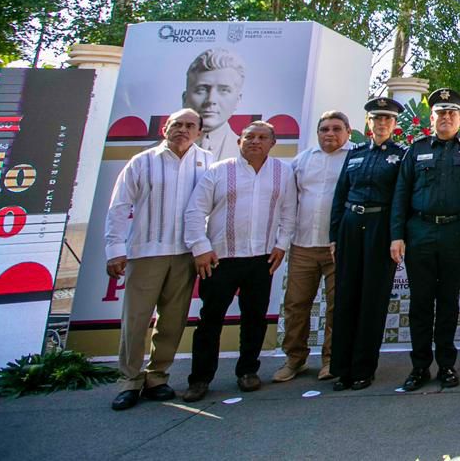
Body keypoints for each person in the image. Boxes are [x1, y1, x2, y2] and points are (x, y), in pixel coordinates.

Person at [104, 108, 212, 411]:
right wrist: (115, 248)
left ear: (199, 132)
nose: (183, 129)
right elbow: (119, 206)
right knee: (136, 319)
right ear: (166, 127)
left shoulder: (206, 162)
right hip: (146, 252)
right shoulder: (143, 161)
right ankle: (130, 381)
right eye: (177, 124)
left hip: (185, 254)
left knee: (173, 320)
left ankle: (157, 377)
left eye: (190, 125)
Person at [183, 121, 295, 401]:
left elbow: (289, 213)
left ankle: (247, 371)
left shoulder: (283, 172)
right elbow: (195, 211)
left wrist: (281, 246)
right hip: (220, 259)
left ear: (272, 143)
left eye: (262, 137)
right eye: (249, 137)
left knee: (255, 319)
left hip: (261, 259)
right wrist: (200, 248)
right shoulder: (219, 172)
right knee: (210, 320)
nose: (255, 142)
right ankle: (199, 379)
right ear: (239, 141)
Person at [391, 88, 460, 391]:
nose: (446, 117)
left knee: (447, 302)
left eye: (451, 113)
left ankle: (446, 365)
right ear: (432, 118)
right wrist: (397, 236)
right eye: (441, 113)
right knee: (420, 302)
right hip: (420, 232)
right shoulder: (416, 150)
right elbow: (401, 195)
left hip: (456, 232)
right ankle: (419, 367)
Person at [328, 98, 407, 390]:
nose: (381, 124)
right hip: (350, 226)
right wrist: (334, 236)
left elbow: (401, 199)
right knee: (346, 296)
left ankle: (363, 368)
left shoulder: (401, 156)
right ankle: (341, 368)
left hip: (380, 228)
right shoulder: (356, 154)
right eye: (376, 119)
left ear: (395, 125)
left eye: (387, 119)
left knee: (372, 300)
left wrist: (397, 235)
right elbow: (340, 195)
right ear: (368, 123)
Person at [273, 110, 352, 383]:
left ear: (348, 132)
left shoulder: (355, 159)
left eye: (336, 129)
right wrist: (284, 241)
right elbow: (288, 203)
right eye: (325, 129)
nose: (330, 134)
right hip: (303, 245)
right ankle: (294, 359)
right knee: (296, 304)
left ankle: (331, 359)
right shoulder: (302, 161)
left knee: (336, 306)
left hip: (338, 246)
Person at [182, 48, 246, 161]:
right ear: (185, 98)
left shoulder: (252, 158)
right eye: (201, 90)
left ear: (238, 100)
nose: (211, 100)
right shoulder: (151, 156)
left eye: (224, 90)